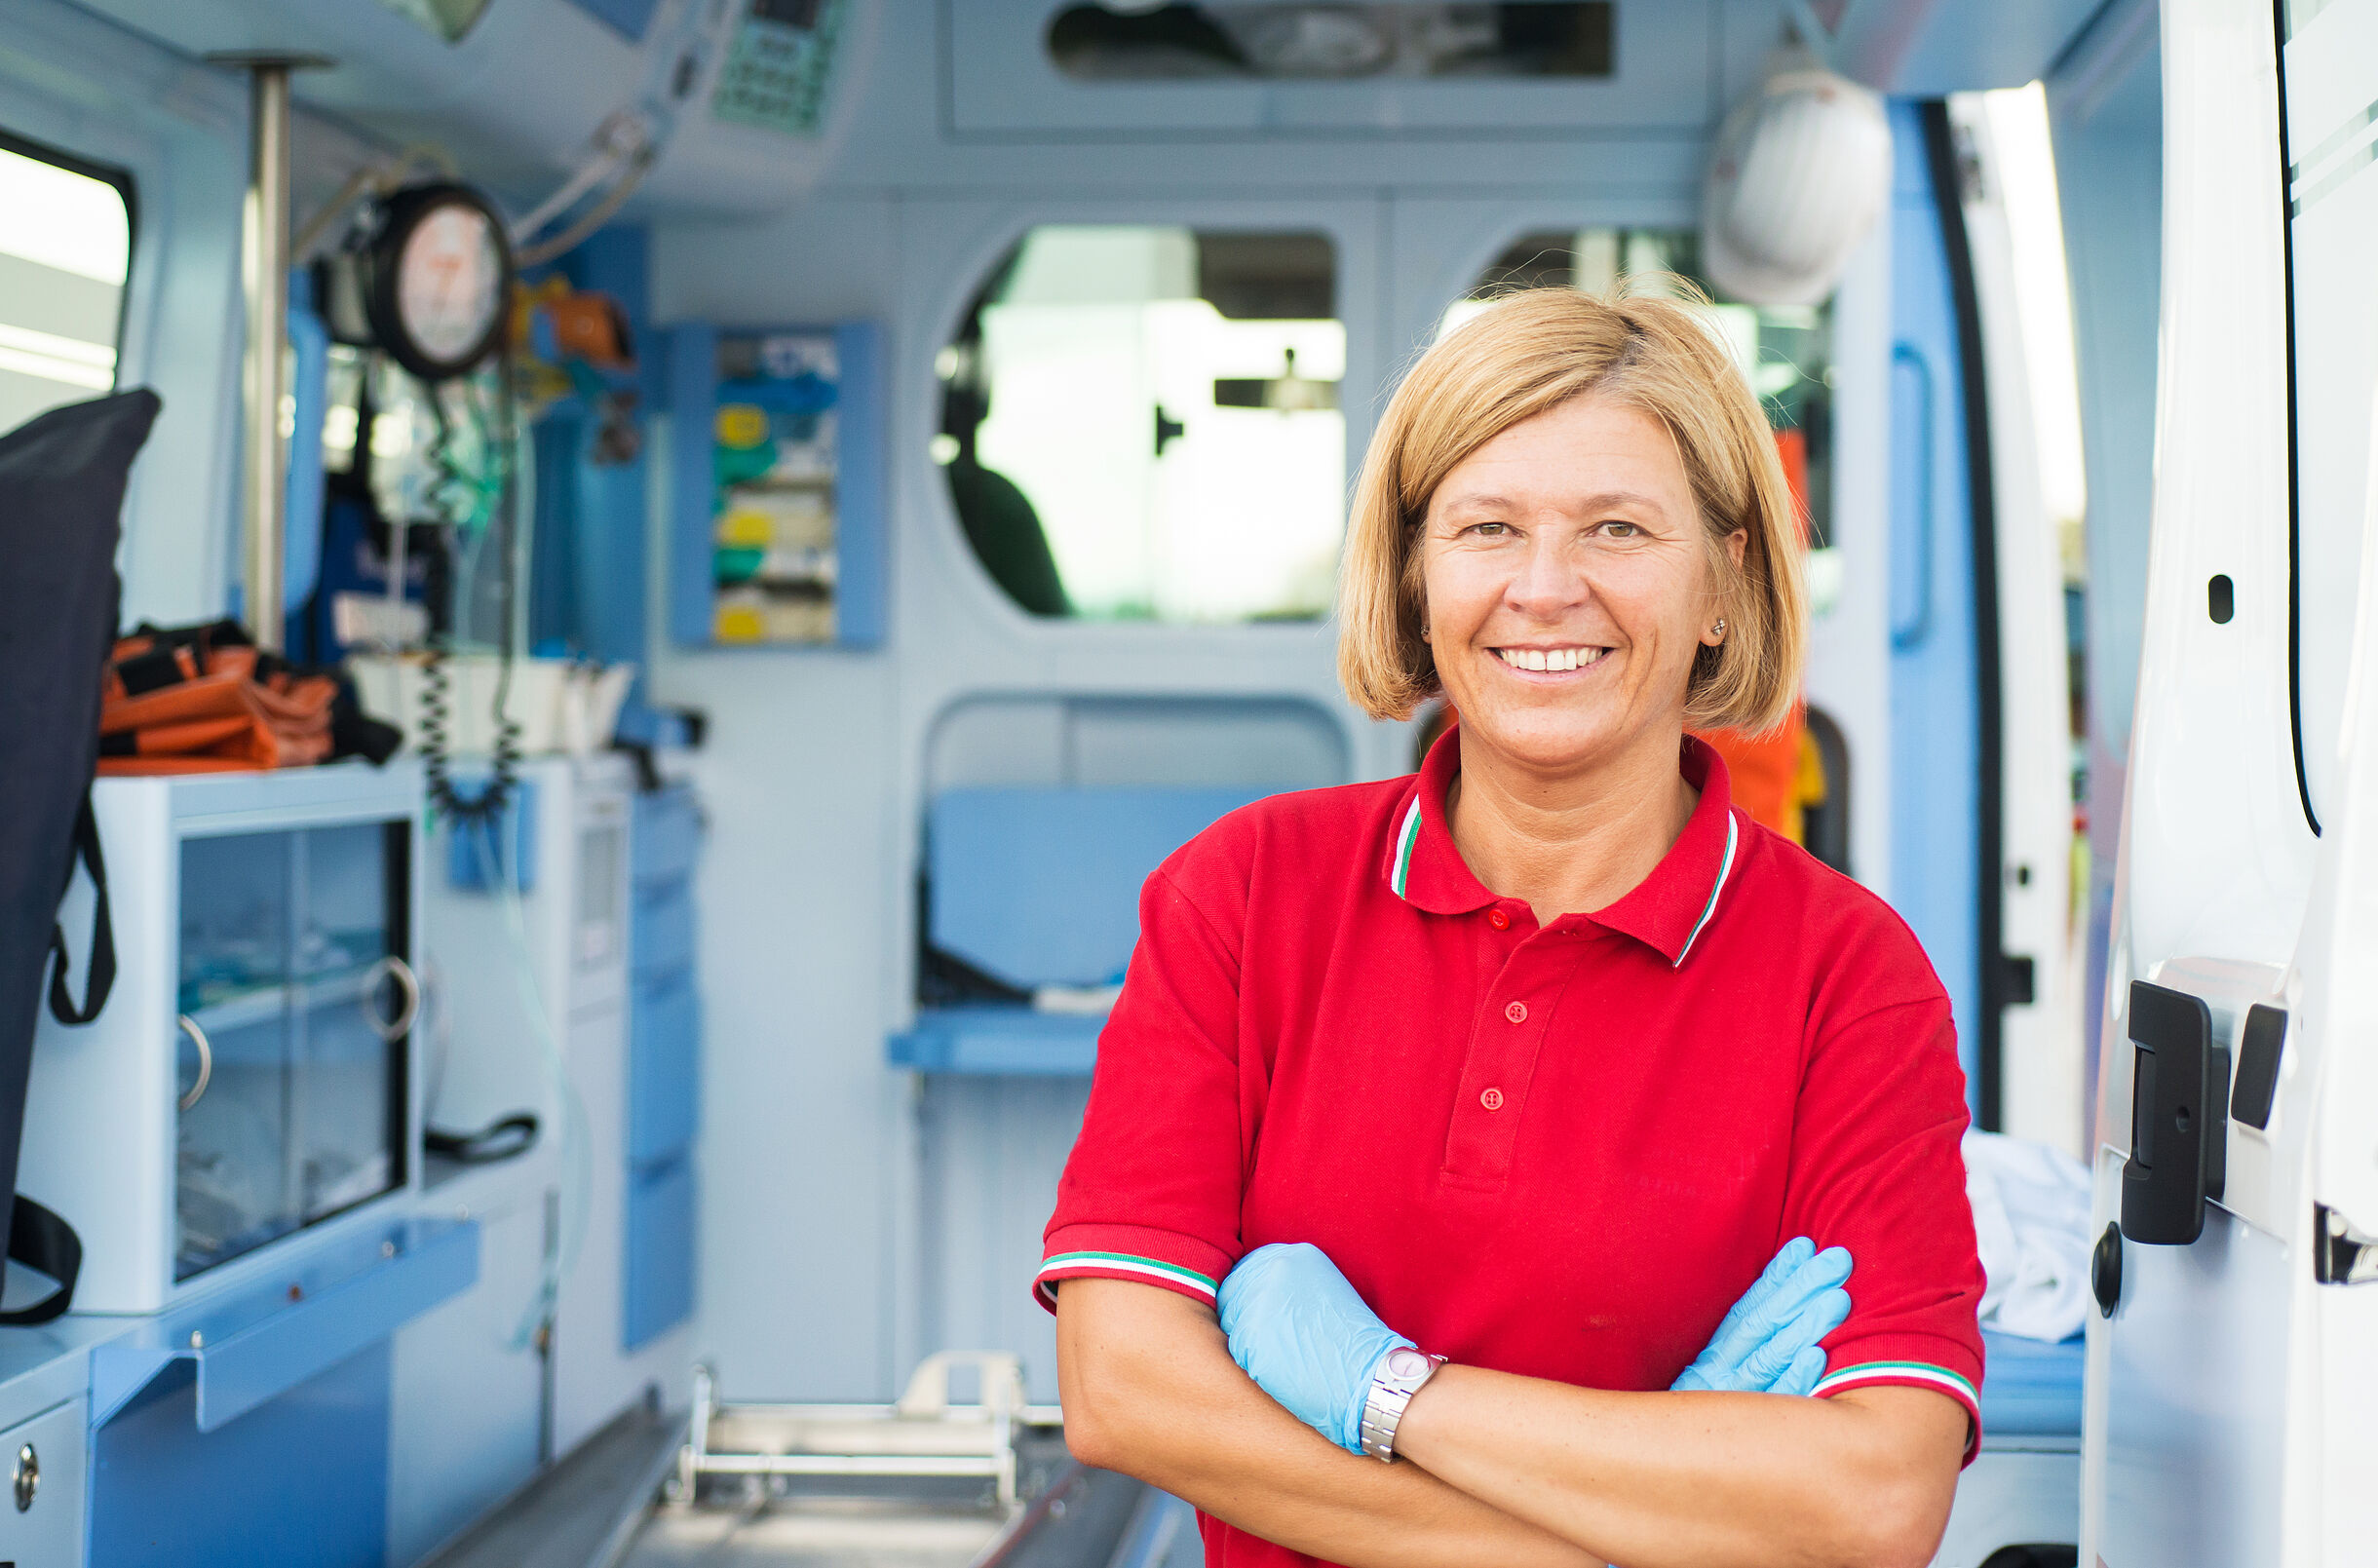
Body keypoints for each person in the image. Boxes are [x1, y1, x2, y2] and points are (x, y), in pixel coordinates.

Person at [1038, 286, 1983, 1568]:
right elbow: (1125, 1388)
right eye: (1488, 527)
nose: (1546, 588)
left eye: (1617, 527)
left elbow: (1877, 1500)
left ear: (1725, 580)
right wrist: (1656, 1506)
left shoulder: (1848, 974)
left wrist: (1386, 1391)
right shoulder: (1246, 894)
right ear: (1418, 574)